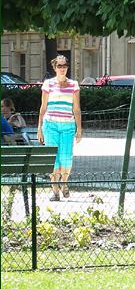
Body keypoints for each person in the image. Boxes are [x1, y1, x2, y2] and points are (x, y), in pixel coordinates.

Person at [38, 56, 82, 201]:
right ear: (55, 67)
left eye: (65, 65)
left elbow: (76, 109)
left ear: (67, 67)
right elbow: (43, 107)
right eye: (59, 66)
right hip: (50, 125)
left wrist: (79, 128)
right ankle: (55, 190)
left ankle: (64, 183)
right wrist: (39, 128)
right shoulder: (48, 84)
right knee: (53, 159)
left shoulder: (74, 85)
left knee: (66, 158)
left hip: (68, 126)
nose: (62, 68)